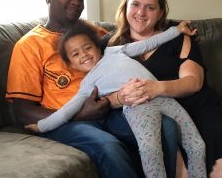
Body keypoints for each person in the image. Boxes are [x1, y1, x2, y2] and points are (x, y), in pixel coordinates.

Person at [5, 0, 183, 178]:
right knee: (109, 147)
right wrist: (79, 114)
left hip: (111, 111)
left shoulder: (95, 33)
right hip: (66, 121)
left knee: (167, 126)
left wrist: (178, 36)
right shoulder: (29, 45)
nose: (76, 1)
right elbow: (22, 112)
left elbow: (131, 46)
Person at [25, 20, 206, 178]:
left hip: (162, 95)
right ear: (71, 64)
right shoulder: (87, 86)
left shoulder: (114, 52)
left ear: (97, 47)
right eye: (76, 54)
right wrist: (41, 126)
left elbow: (147, 44)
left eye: (87, 48)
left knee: (197, 145)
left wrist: (176, 31)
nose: (84, 55)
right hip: (138, 107)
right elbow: (65, 112)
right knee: (151, 151)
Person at [107, 0, 222, 178]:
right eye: (135, 4)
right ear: (126, 6)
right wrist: (120, 98)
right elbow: (98, 96)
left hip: (196, 105)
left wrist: (155, 88)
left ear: (160, 12)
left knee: (221, 150)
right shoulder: (110, 46)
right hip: (154, 112)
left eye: (150, 7)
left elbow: (194, 82)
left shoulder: (178, 36)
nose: (141, 13)